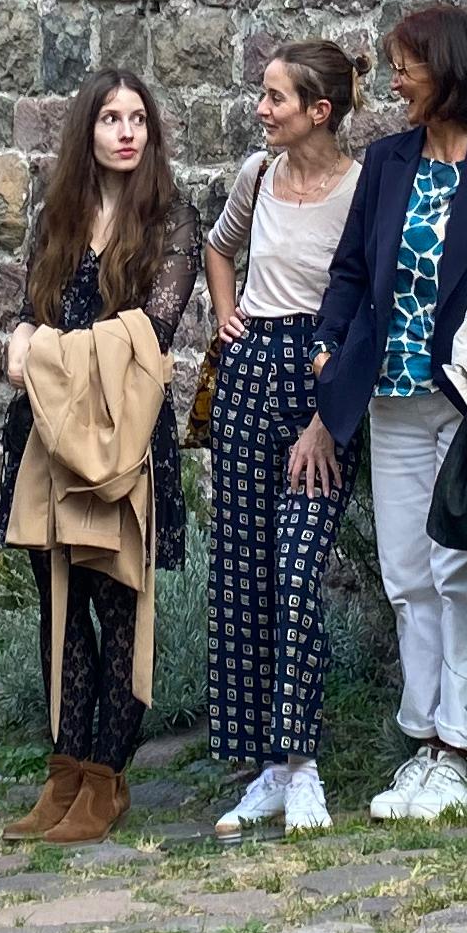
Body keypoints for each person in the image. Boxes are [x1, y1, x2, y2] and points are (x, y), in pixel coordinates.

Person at [304, 5, 467, 820]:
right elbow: (349, 266)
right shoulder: (387, 160)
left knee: (466, 571)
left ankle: (460, 746)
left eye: (405, 64)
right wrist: (329, 345)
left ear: (447, 68)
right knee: (407, 574)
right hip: (391, 395)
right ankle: (422, 744)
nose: (394, 80)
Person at [0, 70, 202, 846]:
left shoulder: (169, 220)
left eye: (138, 118)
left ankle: (109, 778)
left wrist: (41, 350)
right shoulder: (59, 214)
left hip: (122, 437)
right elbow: (26, 313)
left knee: (118, 606)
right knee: (59, 607)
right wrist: (24, 339)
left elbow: (153, 332)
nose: (125, 131)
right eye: (111, 118)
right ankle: (65, 771)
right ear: (87, 129)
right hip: (47, 438)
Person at [203, 43, 365, 840]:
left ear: (318, 111)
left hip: (318, 376)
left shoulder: (363, 187)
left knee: (298, 567)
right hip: (247, 371)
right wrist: (225, 314)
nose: (261, 110)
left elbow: (364, 298)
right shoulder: (257, 176)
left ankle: (303, 767)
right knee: (241, 573)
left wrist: (326, 420)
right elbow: (218, 245)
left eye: (274, 98)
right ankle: (267, 767)